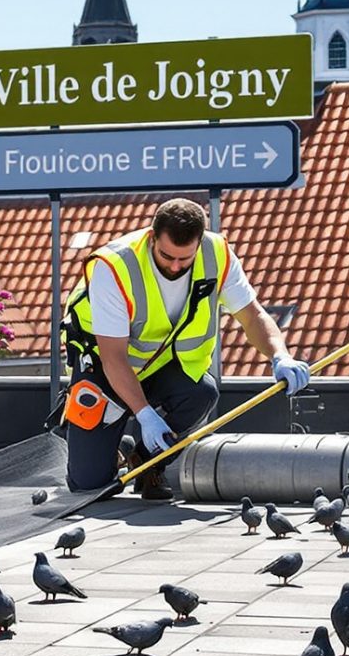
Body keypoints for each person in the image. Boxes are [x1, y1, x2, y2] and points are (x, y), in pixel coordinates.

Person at [57, 197, 308, 498]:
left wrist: (279, 355)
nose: (175, 266)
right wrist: (145, 415)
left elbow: (252, 316)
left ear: (199, 243)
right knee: (89, 485)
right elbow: (113, 357)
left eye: (184, 259)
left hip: (162, 368)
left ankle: (149, 463)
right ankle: (115, 446)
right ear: (152, 237)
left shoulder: (217, 254)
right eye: (166, 256)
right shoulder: (114, 267)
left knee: (202, 392)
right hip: (106, 371)